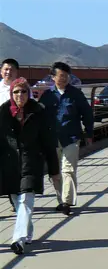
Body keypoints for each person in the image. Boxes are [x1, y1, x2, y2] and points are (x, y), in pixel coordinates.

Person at [1, 78, 61, 255]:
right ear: (11, 94)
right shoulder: (3, 112)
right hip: (9, 164)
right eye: (16, 92)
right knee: (17, 202)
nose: (20, 95)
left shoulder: (39, 112)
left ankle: (17, 239)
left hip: (31, 162)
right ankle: (26, 232)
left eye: (24, 91)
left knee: (26, 200)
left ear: (29, 93)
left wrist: (54, 170)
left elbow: (48, 142)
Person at [38, 61, 94, 215]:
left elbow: (87, 114)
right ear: (53, 77)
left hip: (71, 137)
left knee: (68, 170)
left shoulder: (76, 94)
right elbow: (39, 116)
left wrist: (89, 134)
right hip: (52, 138)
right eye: (60, 76)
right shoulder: (47, 96)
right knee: (55, 173)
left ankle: (66, 202)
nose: (63, 79)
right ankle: (60, 199)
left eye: (66, 76)